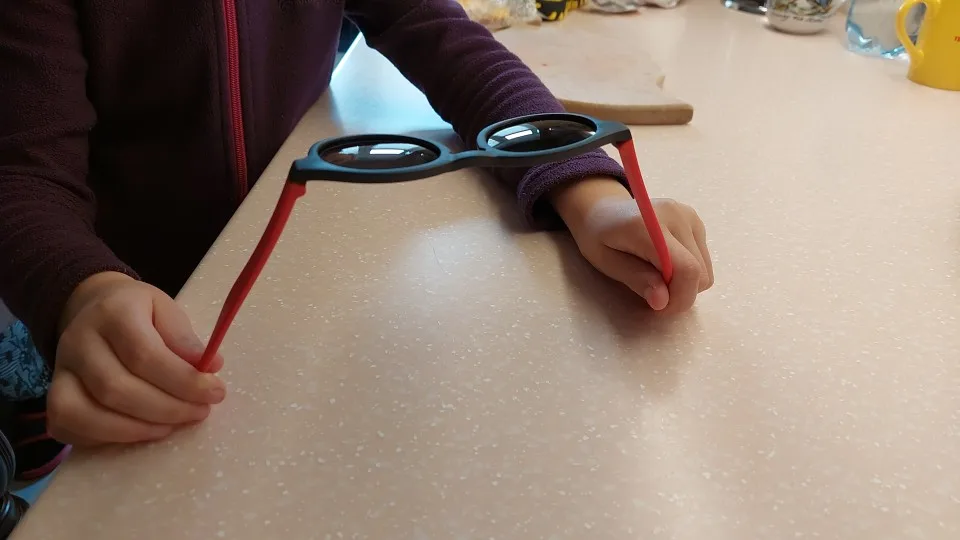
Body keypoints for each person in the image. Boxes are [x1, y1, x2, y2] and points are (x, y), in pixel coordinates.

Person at [0, 0, 714, 451]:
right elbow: (24, 172)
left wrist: (586, 186)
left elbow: (443, 37)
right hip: (145, 307)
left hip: (304, 303)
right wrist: (81, 290)